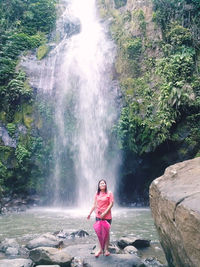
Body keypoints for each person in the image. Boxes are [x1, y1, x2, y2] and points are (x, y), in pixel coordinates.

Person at [87, 179, 114, 257]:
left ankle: (106, 250)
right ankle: (99, 249)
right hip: (98, 216)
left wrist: (105, 213)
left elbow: (111, 204)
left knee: (107, 233)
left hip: (107, 216)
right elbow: (94, 205)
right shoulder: (97, 193)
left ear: (106, 185)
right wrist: (89, 213)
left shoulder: (109, 193)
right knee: (99, 233)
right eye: (101, 183)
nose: (102, 184)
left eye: (104, 183)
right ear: (98, 186)